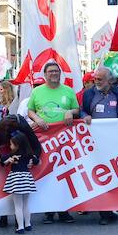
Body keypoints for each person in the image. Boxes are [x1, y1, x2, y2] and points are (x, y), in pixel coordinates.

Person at [28, 63, 79, 224]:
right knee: (46, 173)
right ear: (45, 74)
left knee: (65, 173)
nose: (54, 74)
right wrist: (37, 118)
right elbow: (30, 110)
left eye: (56, 71)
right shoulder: (37, 91)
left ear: (60, 73)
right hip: (45, 140)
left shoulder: (68, 91)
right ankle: (48, 211)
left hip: (64, 139)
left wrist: (70, 112)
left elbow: (77, 109)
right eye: (50, 71)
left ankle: (64, 210)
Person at [80, 66, 118, 225]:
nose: (96, 81)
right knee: (100, 175)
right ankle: (105, 212)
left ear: (110, 80)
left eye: (100, 79)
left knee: (114, 174)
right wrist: (85, 116)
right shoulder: (89, 94)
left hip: (116, 142)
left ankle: (111, 208)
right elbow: (82, 111)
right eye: (95, 78)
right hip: (95, 142)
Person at [0, 132, 37, 234]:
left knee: (18, 205)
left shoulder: (13, 155)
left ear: (17, 145)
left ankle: (20, 227)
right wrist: (31, 162)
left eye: (11, 144)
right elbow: (37, 161)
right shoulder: (29, 154)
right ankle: (28, 224)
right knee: (26, 204)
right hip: (27, 179)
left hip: (16, 180)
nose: (10, 146)